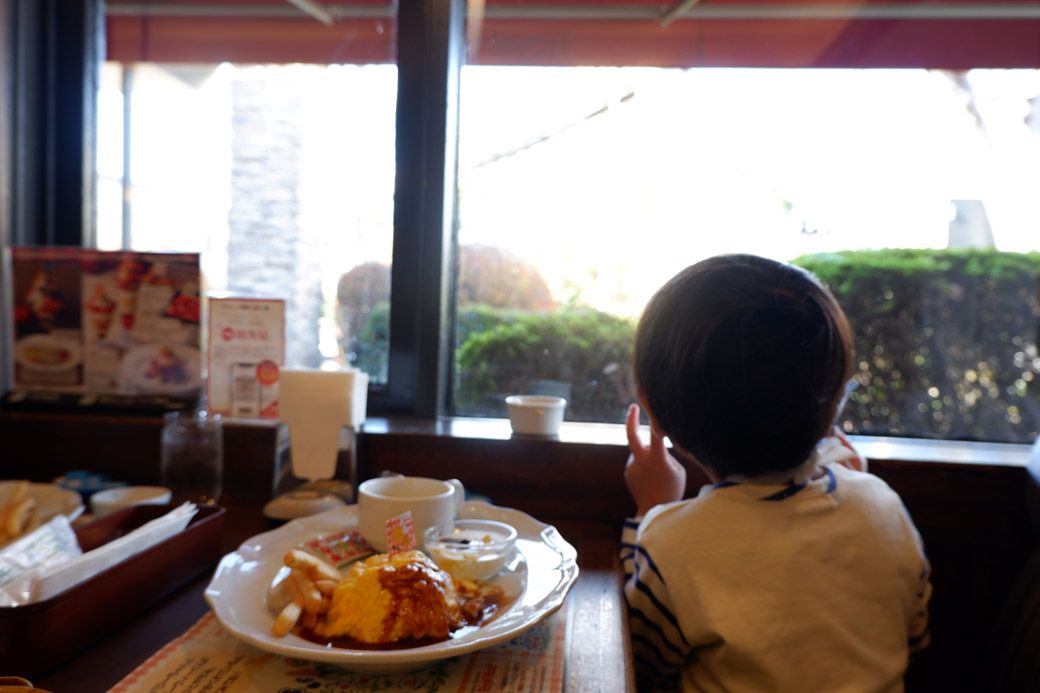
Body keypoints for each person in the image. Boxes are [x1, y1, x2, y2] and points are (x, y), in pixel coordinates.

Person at [620, 254, 930, 692]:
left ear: (652, 409)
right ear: (833, 400)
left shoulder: (673, 542)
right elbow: (914, 638)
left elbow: (638, 664)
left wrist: (651, 508)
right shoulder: (883, 504)